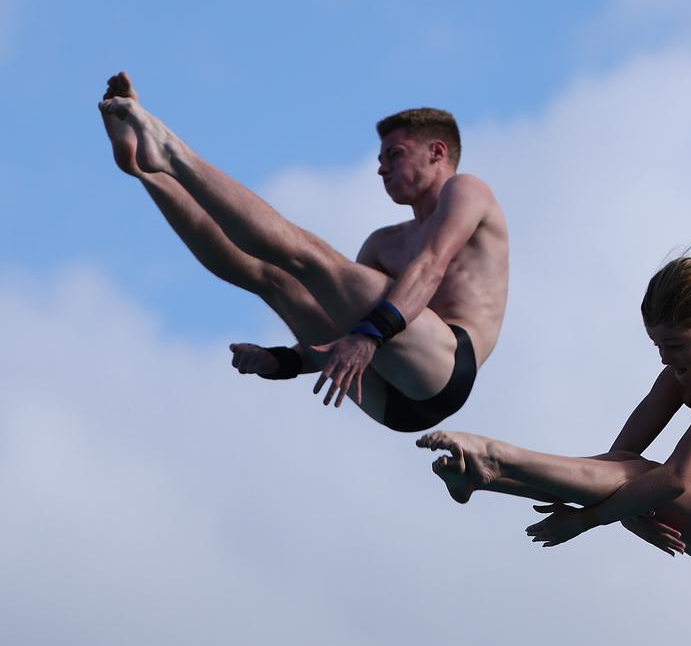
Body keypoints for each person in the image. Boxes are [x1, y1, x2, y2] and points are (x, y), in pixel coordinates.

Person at [99, 72, 508, 432]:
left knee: (312, 258)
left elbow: (430, 268)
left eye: (394, 155)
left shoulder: (467, 190)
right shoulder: (384, 242)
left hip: (447, 368)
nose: (381, 169)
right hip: (391, 404)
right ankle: (148, 171)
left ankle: (173, 154)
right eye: (380, 160)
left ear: (437, 152)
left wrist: (366, 339)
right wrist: (280, 362)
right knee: (275, 280)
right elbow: (340, 332)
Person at [417, 252, 691, 594]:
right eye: (657, 346)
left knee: (648, 477)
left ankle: (496, 455)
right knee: (626, 469)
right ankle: (485, 477)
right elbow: (615, 462)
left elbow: (677, 479)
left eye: (675, 345)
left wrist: (586, 520)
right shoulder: (682, 376)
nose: (664, 358)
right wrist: (626, 515)